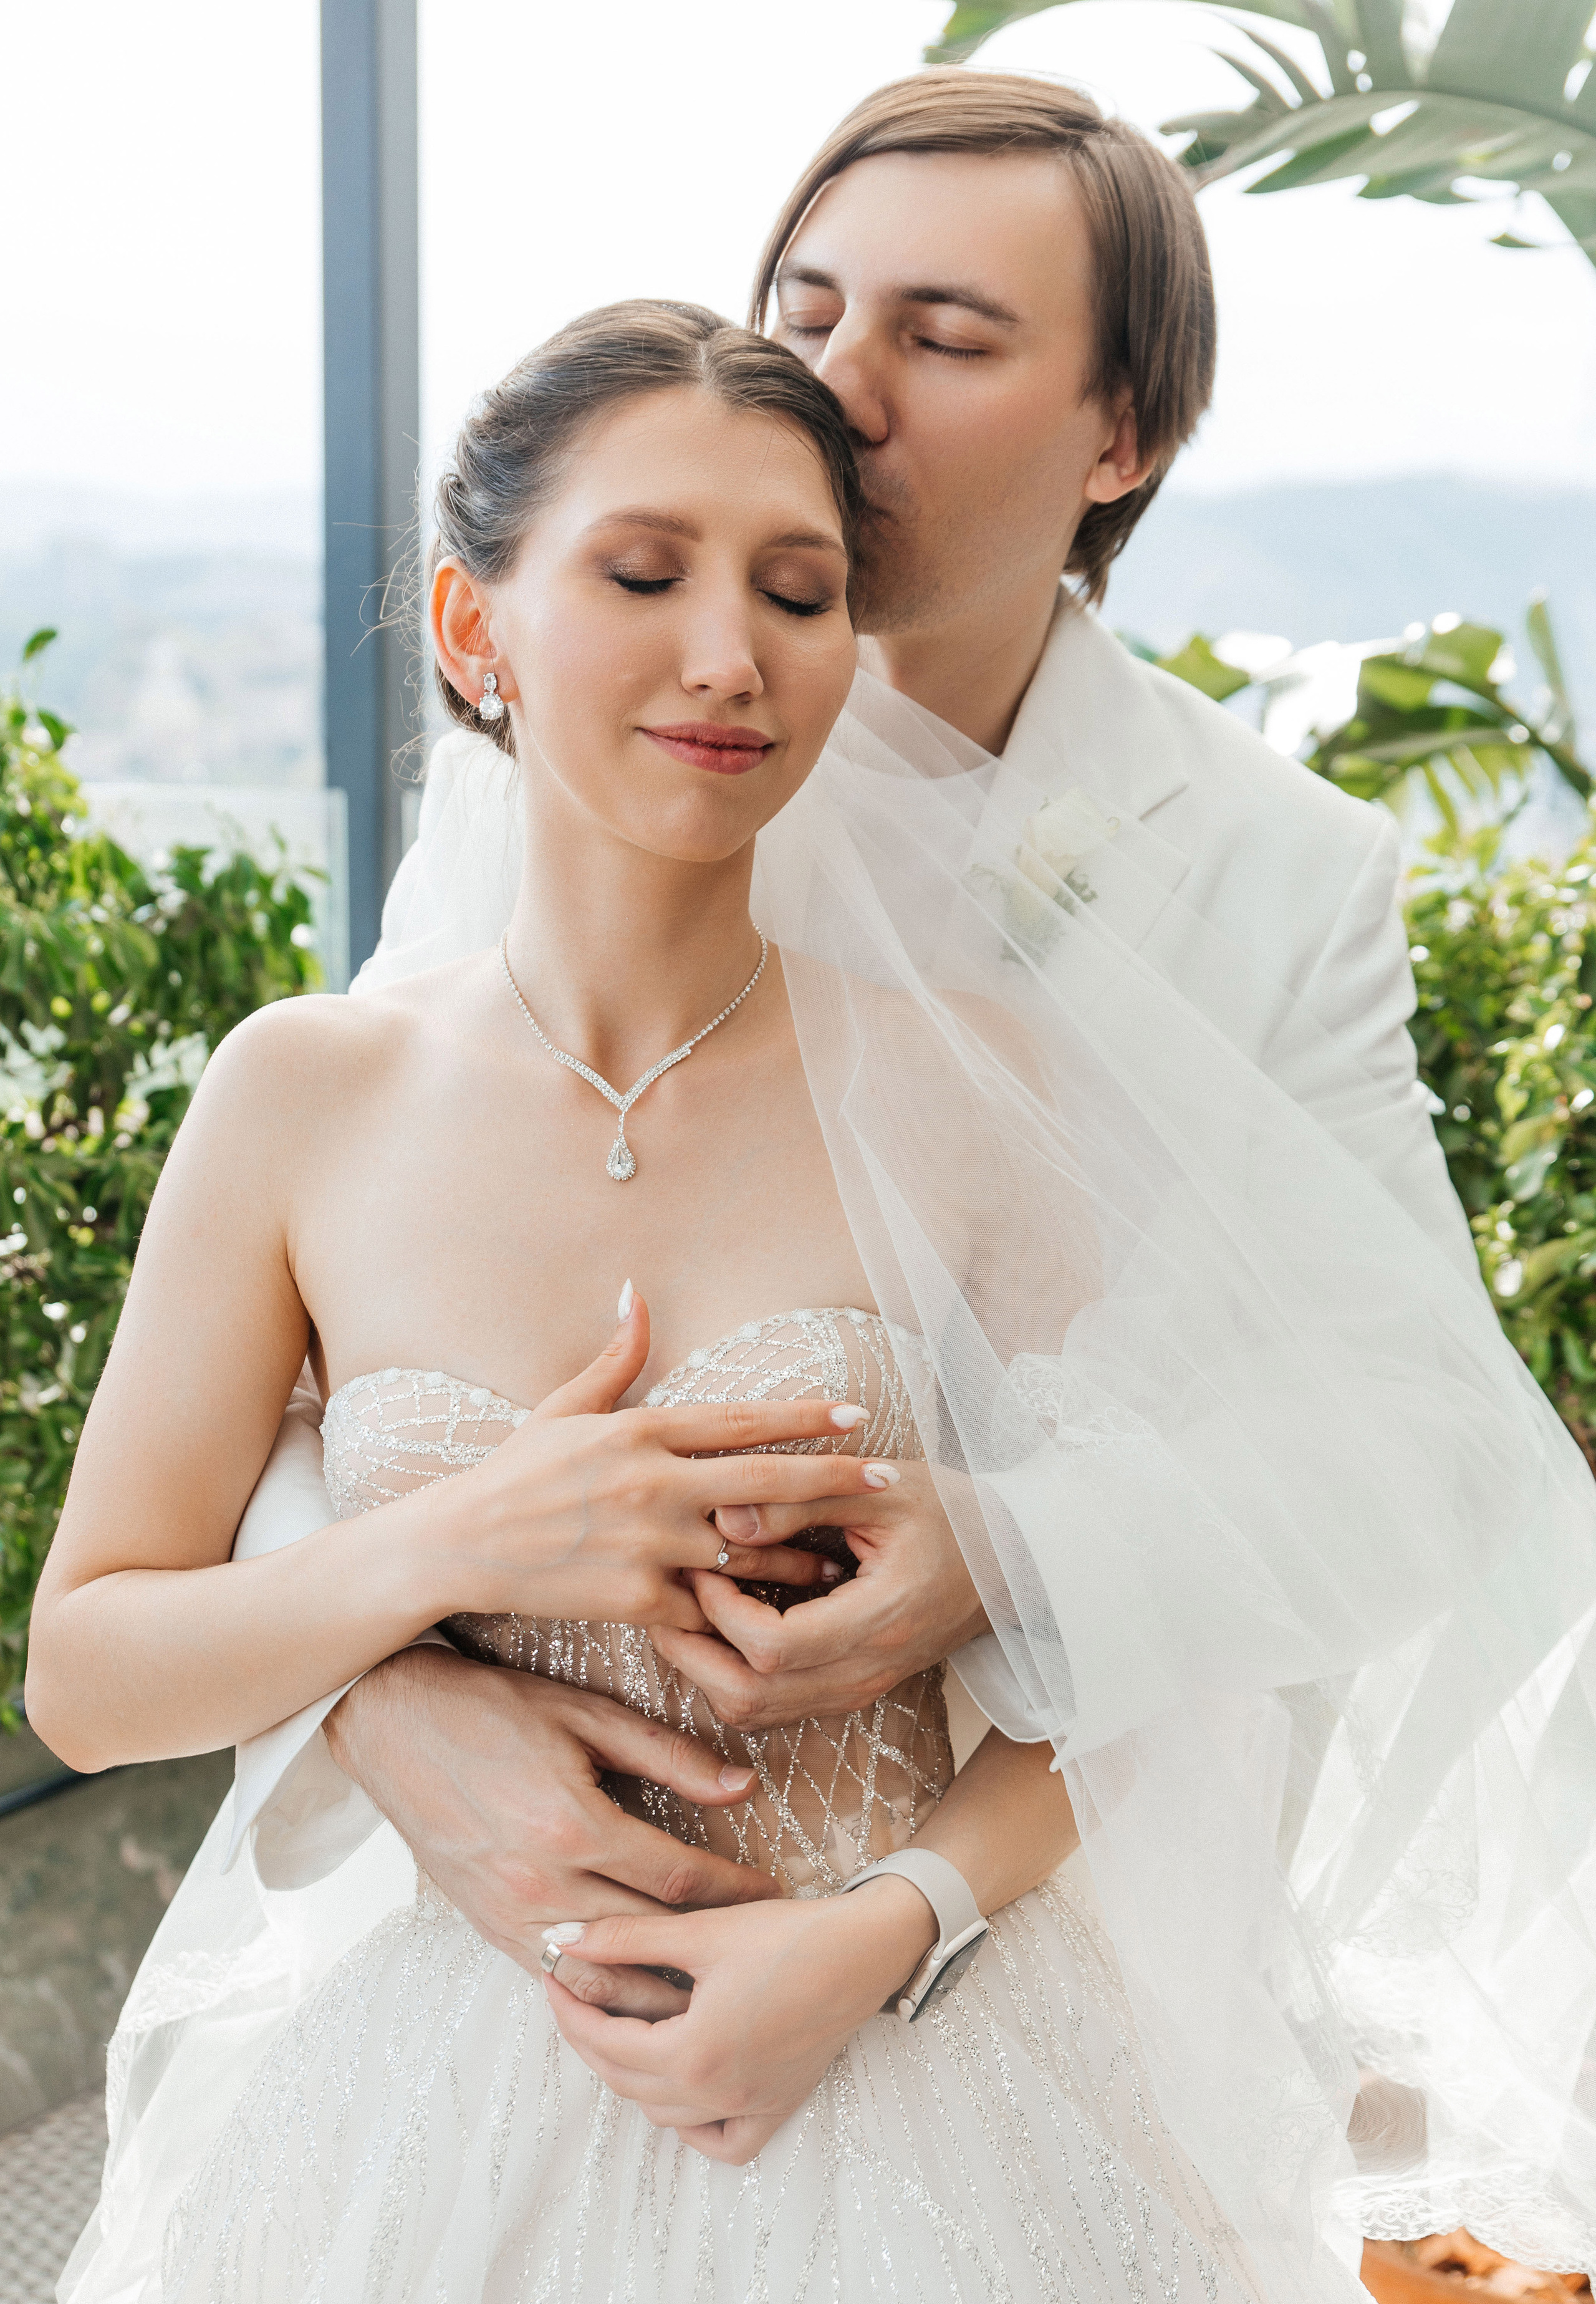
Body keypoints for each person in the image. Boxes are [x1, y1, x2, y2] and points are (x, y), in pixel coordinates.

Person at [23, 301, 1387, 2304]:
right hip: (443, 2099)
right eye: (643, 575)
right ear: (479, 629)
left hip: (932, 2093)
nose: (733, 656)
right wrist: (453, 1543)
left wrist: (888, 1931)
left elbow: (1154, 1650)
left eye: (801, 590)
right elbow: (94, 1666)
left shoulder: (974, 1088)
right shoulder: (302, 1094)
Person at [238, 67, 1478, 1974]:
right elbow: (326, 1330)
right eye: (804, 310)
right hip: (538, 1883)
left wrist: (1004, 1545)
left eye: (942, 334)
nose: (837, 381)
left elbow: (1412, 1442)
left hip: (1068, 1887)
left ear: (1120, 436)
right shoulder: (595, 767)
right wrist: (376, 1701)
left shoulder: (1281, 871)